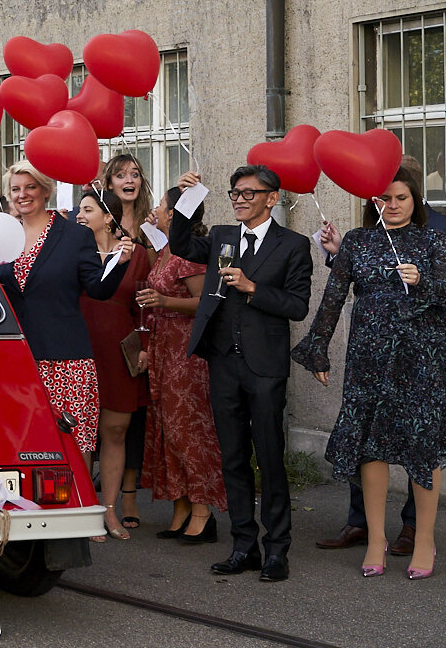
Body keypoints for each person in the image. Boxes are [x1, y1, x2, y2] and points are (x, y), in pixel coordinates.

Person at [293, 166, 446, 581]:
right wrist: (318, 351)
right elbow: (333, 296)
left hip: (423, 360)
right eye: (384, 199)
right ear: (373, 202)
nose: (392, 206)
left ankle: (423, 539)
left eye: (400, 198)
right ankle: (374, 539)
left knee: (423, 444)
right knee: (370, 445)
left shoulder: (435, 240)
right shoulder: (357, 241)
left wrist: (422, 281)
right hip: (369, 358)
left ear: (415, 200)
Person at [168, 164, 313, 583]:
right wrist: (187, 200)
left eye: (249, 193)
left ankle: (276, 550)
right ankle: (243, 546)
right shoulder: (222, 237)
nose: (239, 199)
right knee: (232, 458)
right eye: (235, 193)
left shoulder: (293, 245)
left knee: (268, 457)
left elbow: (297, 306)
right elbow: (179, 244)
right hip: (224, 363)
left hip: (265, 367)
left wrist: (253, 288)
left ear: (272, 198)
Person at [0, 161, 131, 469]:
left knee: (73, 442)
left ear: (46, 190)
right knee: (25, 443)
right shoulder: (2, 234)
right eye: (15, 189)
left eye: (30, 187)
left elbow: (97, 289)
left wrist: (119, 263)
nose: (22, 195)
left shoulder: (73, 235)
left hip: (66, 359)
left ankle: (79, 512)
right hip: (18, 359)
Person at [135, 187, 222, 541]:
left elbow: (204, 302)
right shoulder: (165, 248)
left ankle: (203, 511)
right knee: (167, 428)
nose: (155, 208)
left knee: (189, 428)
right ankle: (181, 507)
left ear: (173, 214)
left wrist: (163, 300)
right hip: (162, 344)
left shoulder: (190, 253)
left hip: (185, 349)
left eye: (161, 205)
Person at [75, 188, 152, 538]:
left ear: (108, 217)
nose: (79, 215)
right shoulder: (73, 252)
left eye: (87, 209)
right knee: (83, 436)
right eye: (78, 209)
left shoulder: (135, 255)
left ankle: (109, 511)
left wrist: (145, 345)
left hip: (120, 351)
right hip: (80, 348)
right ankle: (83, 509)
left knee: (116, 431)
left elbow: (144, 306)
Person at [98, 153, 153, 525]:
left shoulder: (150, 231)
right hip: (92, 338)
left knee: (130, 421)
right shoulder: (88, 229)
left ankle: (125, 498)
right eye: (121, 174)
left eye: (135, 173)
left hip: (131, 336)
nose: (129, 179)